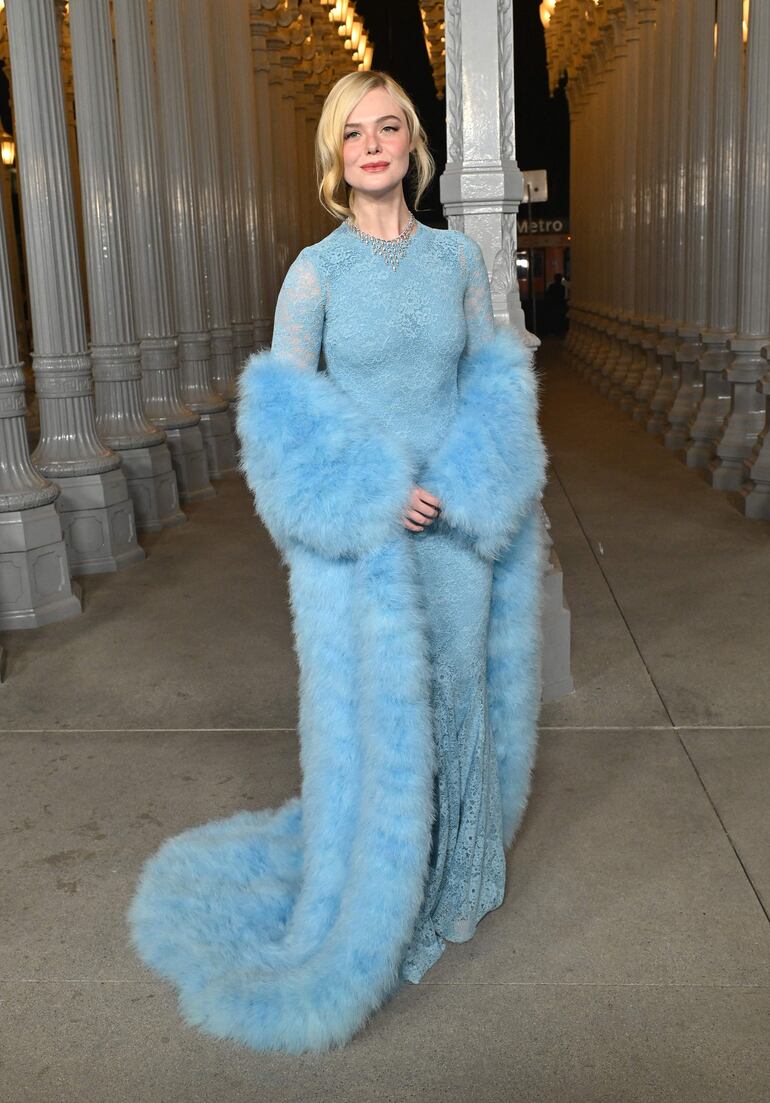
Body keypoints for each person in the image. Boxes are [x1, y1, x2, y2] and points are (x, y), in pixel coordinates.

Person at [130, 70, 547, 1054]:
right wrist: (367, 493)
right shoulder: (312, 273)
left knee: (458, 698)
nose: (370, 145)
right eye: (352, 132)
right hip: (371, 539)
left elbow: (494, 377)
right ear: (334, 155)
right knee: (384, 720)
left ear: (412, 146)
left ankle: (459, 875)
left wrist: (468, 477)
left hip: (454, 519)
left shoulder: (454, 261)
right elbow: (280, 419)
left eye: (387, 127)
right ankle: (385, 897)